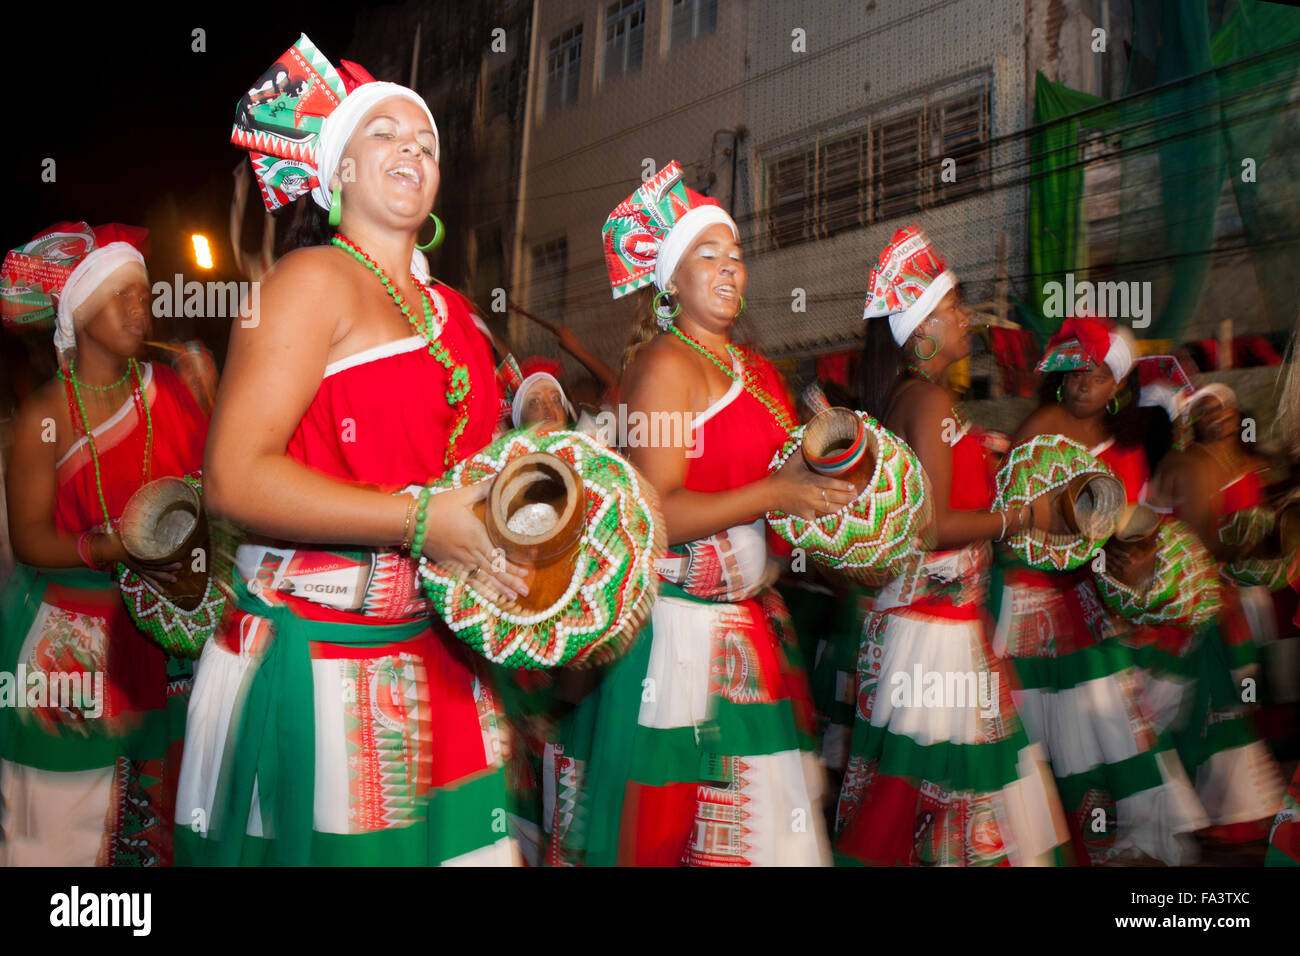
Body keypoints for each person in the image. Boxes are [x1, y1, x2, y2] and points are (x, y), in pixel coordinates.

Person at [174, 35, 528, 866]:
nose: (413, 145)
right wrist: (418, 522)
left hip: (444, 657)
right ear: (336, 173)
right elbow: (231, 478)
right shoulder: (307, 283)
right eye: (385, 132)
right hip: (319, 660)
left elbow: (473, 489)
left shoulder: (456, 315)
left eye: (427, 140)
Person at [547, 160, 849, 866]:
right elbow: (658, 513)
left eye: (736, 256)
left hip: (746, 634)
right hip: (676, 641)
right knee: (667, 828)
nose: (728, 268)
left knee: (764, 830)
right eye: (706, 255)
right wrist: (777, 497)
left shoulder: (760, 371)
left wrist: (833, 489)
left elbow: (790, 480)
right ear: (669, 279)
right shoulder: (664, 366)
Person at [836, 224, 1068, 866]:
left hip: (935, 625)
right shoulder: (929, 397)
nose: (967, 316)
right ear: (919, 329)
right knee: (936, 807)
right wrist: (1018, 518)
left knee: (923, 802)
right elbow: (931, 527)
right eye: (952, 305)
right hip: (932, 633)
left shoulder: (917, 398)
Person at [0, 221, 207, 865]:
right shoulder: (45, 415)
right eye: (118, 294)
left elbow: (216, 498)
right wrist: (114, 547)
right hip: (72, 642)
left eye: (143, 294)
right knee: (59, 835)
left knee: (155, 829)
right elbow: (30, 538)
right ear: (78, 310)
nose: (137, 308)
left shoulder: (171, 390)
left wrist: (215, 397)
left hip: (167, 635)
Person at [998, 317, 1207, 864]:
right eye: (1074, 374)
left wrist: (1134, 566)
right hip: (1033, 600)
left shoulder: (1126, 448)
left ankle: (1130, 838)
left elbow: (1131, 527)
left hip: (1093, 604)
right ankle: (1063, 843)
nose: (1082, 384)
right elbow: (1007, 519)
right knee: (1049, 732)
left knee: (1115, 726)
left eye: (1097, 376)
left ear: (1118, 385)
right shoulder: (1040, 426)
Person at [1145, 383, 1285, 843]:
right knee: (1203, 701)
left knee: (1223, 699)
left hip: (1215, 600)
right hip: (1194, 601)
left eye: (1221, 407)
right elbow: (1201, 543)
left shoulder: (1232, 465)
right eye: (1202, 410)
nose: (1215, 416)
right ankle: (1208, 811)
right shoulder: (1188, 464)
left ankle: (1212, 810)